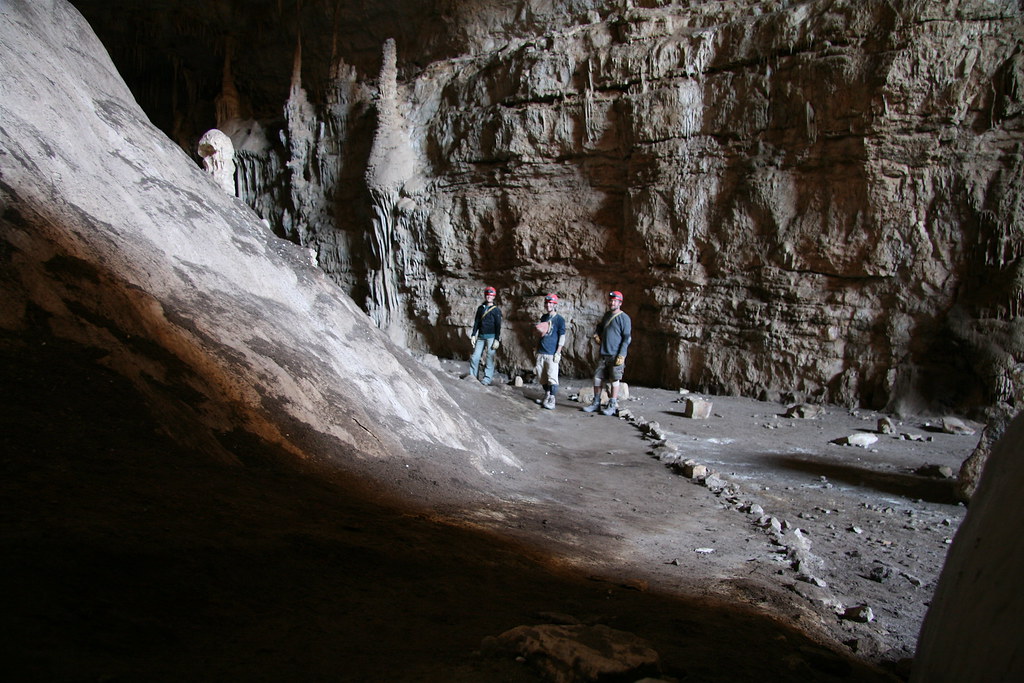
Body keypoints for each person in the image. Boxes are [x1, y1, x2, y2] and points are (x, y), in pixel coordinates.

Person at [583, 290, 631, 416]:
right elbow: (600, 326)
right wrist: (597, 334)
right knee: (597, 378)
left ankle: (612, 405)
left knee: (614, 380)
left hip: (615, 355)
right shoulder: (606, 316)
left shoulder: (624, 318)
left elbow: (626, 338)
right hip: (604, 354)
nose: (612, 303)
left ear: (620, 303)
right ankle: (596, 402)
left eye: (615, 301)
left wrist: (622, 354)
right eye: (611, 300)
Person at [533, 293, 566, 410]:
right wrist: (536, 348)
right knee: (542, 376)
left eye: (551, 303)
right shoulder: (544, 318)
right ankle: (546, 395)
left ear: (555, 304)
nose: (548, 305)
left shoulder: (560, 320)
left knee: (552, 378)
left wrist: (558, 352)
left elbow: (562, 336)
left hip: (552, 353)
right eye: (547, 303)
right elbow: (540, 335)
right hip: (542, 351)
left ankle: (552, 398)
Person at [469, 286, 502, 385]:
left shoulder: (496, 310)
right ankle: (473, 377)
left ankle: (487, 379)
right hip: (481, 336)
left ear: (494, 297)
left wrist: (496, 339)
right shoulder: (481, 308)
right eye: (487, 295)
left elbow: (498, 325)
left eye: (490, 295)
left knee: (489, 358)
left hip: (491, 337)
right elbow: (477, 322)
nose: (488, 297)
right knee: (475, 356)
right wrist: (473, 334)